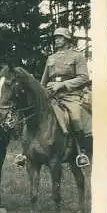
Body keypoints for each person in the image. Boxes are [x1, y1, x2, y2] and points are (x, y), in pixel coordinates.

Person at [14, 27, 92, 168]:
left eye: (60, 37)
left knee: (75, 117)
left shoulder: (77, 56)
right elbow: (43, 82)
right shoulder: (51, 58)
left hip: (71, 95)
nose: (57, 40)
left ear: (68, 40)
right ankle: (25, 152)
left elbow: (84, 77)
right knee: (33, 115)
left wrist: (62, 85)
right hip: (51, 94)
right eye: (56, 38)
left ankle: (82, 152)